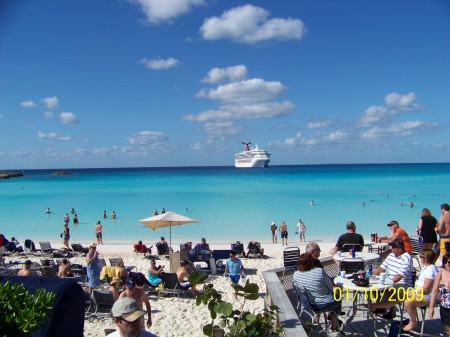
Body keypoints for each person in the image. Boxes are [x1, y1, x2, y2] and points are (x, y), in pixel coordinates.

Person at [293, 253, 341, 331]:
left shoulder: (296, 274)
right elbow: (331, 287)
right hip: (324, 303)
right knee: (338, 297)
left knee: (317, 294)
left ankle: (317, 318)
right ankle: (334, 322)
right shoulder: (319, 271)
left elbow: (297, 289)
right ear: (311, 262)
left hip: (308, 304)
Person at [372, 238, 413, 319]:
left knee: (389, 289)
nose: (391, 249)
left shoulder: (407, 258)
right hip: (390, 281)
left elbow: (400, 275)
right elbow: (381, 268)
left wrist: (389, 284)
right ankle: (381, 305)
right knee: (372, 288)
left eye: (393, 247)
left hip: (404, 285)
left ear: (399, 248)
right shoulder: (391, 255)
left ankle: (390, 309)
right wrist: (371, 277)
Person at [429, 252, 450, 335]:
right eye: (449, 262)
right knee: (448, 331)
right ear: (444, 263)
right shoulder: (440, 274)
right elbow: (434, 291)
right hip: (445, 308)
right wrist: (431, 308)